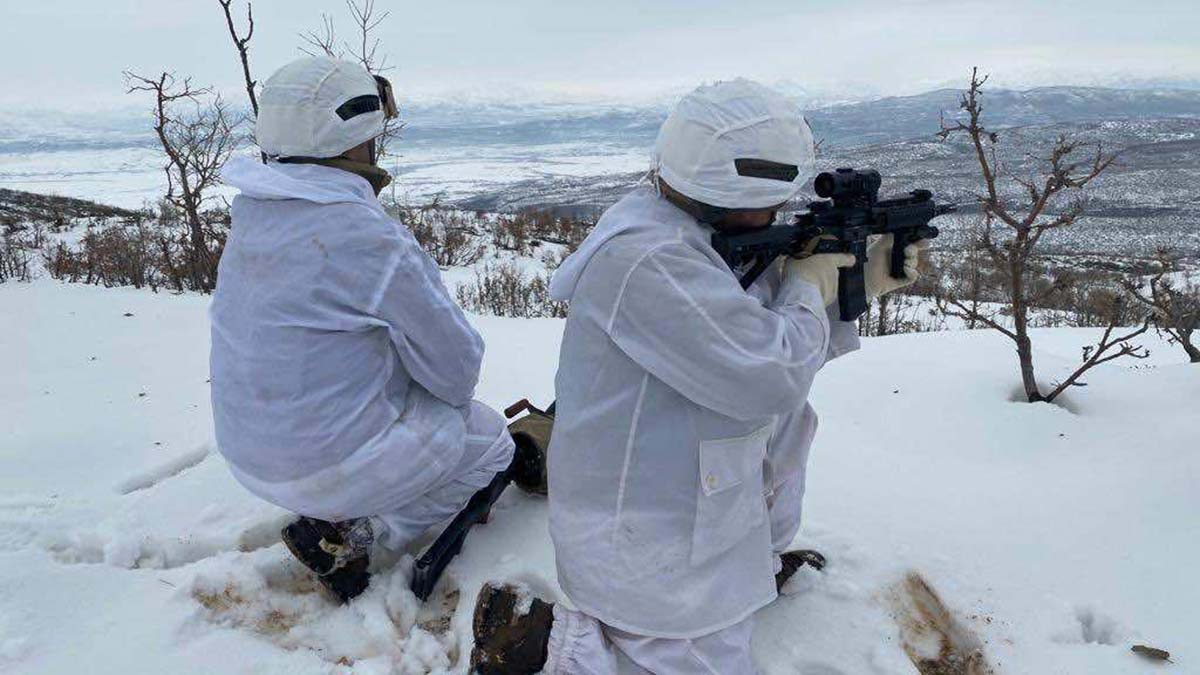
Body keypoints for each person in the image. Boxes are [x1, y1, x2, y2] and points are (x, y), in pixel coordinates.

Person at [469, 79, 928, 673]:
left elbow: (761, 335)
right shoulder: (649, 259)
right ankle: (550, 649)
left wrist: (852, 286)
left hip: (702, 502)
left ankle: (749, 575)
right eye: (773, 202)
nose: (780, 214)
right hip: (651, 544)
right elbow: (769, 373)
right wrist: (809, 286)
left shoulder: (700, 238)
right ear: (727, 196)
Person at [210, 56, 520, 603]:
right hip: (325, 467)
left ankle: (347, 510)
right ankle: (358, 535)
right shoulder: (367, 237)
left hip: (246, 456)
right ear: (358, 139)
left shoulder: (253, 216)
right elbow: (457, 372)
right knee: (490, 442)